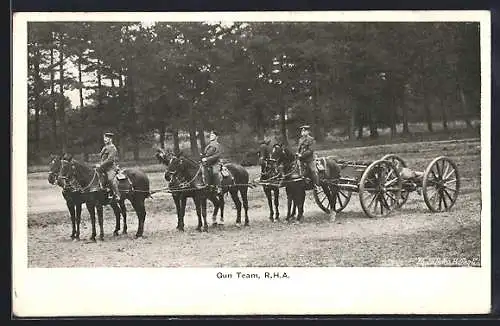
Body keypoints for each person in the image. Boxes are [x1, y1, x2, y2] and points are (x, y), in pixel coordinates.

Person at [96, 132, 120, 201]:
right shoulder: (105, 147)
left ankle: (117, 194)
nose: (105, 139)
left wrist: (101, 165)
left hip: (110, 168)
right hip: (103, 168)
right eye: (104, 138)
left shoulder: (112, 148)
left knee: (110, 179)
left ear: (110, 139)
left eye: (107, 138)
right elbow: (102, 158)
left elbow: (110, 160)